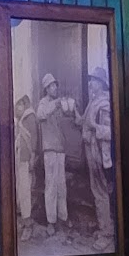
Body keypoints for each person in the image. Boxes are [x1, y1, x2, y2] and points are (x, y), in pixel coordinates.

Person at [36, 72, 76, 230]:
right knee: (51, 185)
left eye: (55, 85)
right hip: (50, 150)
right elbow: (40, 115)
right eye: (52, 86)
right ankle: (51, 221)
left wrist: (71, 109)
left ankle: (62, 217)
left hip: (60, 149)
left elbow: (65, 122)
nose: (55, 88)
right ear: (46, 89)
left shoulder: (58, 104)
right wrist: (56, 104)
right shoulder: (44, 103)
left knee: (61, 185)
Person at [80, 69, 114, 243]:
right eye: (90, 80)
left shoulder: (105, 104)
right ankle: (104, 226)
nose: (90, 83)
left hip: (99, 152)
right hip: (90, 151)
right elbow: (83, 122)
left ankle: (106, 232)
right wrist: (74, 113)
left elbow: (110, 132)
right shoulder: (93, 102)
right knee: (97, 190)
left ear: (101, 84)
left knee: (101, 191)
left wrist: (94, 126)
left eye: (93, 80)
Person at [13, 94, 37, 240]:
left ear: (25, 105)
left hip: (26, 160)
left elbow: (33, 140)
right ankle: (23, 218)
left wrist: (32, 158)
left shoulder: (30, 117)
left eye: (19, 106)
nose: (17, 109)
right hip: (19, 159)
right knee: (20, 191)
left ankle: (28, 224)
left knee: (25, 191)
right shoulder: (20, 121)